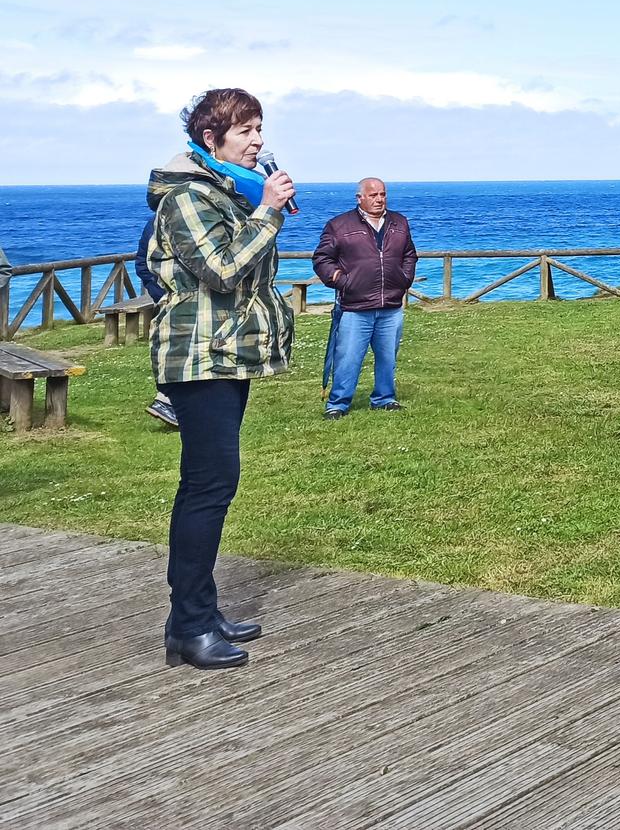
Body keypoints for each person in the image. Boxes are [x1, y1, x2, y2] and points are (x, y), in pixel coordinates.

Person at [146, 87, 295, 669]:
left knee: (213, 485)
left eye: (260, 129)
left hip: (227, 355)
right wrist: (269, 215)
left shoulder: (227, 193)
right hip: (197, 356)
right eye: (246, 131)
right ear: (211, 140)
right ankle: (188, 626)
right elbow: (222, 271)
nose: (258, 141)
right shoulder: (185, 197)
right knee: (208, 486)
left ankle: (199, 613)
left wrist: (260, 212)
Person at [312, 178, 418, 418]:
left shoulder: (399, 223)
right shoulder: (339, 225)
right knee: (347, 358)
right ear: (359, 198)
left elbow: (409, 254)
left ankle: (384, 398)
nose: (379, 199)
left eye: (382, 194)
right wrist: (341, 280)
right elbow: (322, 259)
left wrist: (405, 278)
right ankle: (337, 404)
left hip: (391, 305)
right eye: (373, 195)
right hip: (354, 307)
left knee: (387, 357)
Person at [135, 218, 178, 429]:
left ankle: (169, 401)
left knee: (169, 346)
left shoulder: (155, 222)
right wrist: (160, 294)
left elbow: (141, 264)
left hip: (173, 296)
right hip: (171, 297)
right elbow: (142, 264)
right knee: (173, 348)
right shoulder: (158, 222)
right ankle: (166, 400)